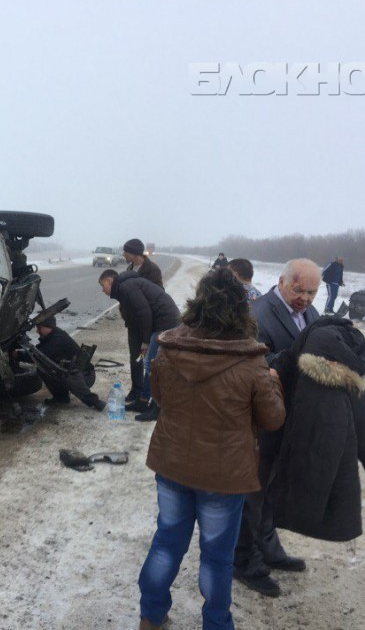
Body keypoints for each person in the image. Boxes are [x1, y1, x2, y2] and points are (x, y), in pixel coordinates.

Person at [137, 267, 285, 630]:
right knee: (217, 558)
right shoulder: (252, 363)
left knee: (167, 543)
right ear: (241, 310)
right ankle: (217, 624)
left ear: (196, 304)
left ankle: (150, 617)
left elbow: (158, 396)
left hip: (172, 466)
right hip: (223, 476)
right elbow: (273, 419)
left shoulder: (167, 348)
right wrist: (274, 384)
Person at [234, 258, 320, 597]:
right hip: (260, 418)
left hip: (289, 415)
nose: (305, 298)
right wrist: (288, 362)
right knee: (251, 491)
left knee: (271, 489)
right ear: (282, 282)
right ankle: (242, 558)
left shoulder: (311, 314)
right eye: (299, 290)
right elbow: (249, 363)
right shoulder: (258, 313)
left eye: (312, 292)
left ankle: (268, 547)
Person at [269, 317, 365, 541]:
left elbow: (314, 445)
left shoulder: (316, 378)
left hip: (312, 467)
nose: (306, 297)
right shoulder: (354, 364)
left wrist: (297, 509)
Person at [98, 269, 179, 422]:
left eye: (103, 285)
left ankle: (156, 407)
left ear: (109, 281)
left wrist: (146, 341)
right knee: (150, 363)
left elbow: (145, 313)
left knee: (152, 365)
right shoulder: (125, 286)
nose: (102, 290)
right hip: (162, 320)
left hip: (165, 321)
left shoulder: (126, 287)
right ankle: (143, 401)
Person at [120, 238, 164, 405]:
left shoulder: (152, 270)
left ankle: (147, 394)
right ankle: (136, 390)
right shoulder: (130, 268)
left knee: (147, 358)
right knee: (134, 357)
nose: (123, 255)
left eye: (126, 252)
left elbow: (158, 295)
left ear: (135, 253)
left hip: (148, 321)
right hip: (133, 322)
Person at [32, 316, 106, 411]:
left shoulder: (58, 340)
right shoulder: (52, 335)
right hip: (77, 373)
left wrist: (18, 354)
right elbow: (38, 351)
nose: (37, 331)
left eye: (39, 328)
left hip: (86, 376)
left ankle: (95, 402)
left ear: (48, 327)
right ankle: (61, 398)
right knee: (44, 368)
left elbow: (39, 355)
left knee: (67, 372)